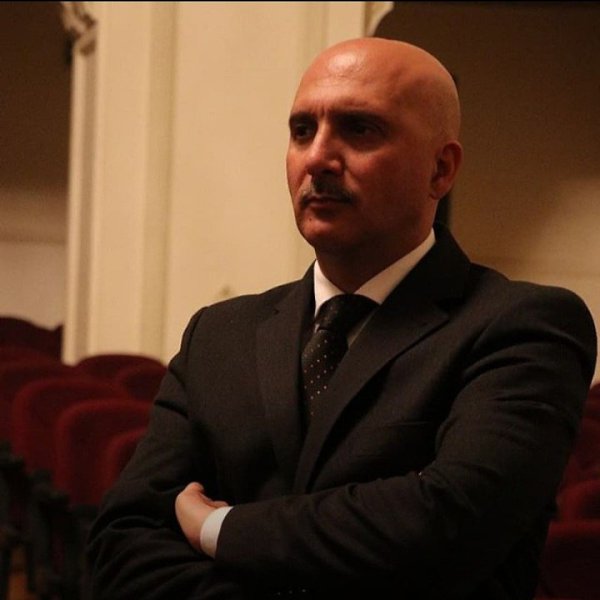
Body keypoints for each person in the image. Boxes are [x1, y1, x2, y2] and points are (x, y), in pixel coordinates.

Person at [85, 37, 597, 599]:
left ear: (441, 169)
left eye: (360, 129)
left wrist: (220, 529)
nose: (318, 158)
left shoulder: (523, 326)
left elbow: (449, 523)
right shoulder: (219, 333)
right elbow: (122, 543)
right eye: (302, 130)